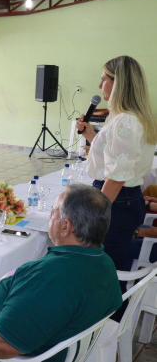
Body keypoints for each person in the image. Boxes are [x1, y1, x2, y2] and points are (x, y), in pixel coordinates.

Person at [0, 184, 122, 362]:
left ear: (66, 227)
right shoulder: (104, 263)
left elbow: (3, 344)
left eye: (53, 213)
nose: (50, 218)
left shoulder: (50, 278)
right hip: (40, 336)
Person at [76, 56, 157, 279]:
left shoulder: (126, 121)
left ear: (119, 82)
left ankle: (113, 313)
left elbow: (117, 177)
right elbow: (115, 157)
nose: (99, 85)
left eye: (104, 79)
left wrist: (96, 212)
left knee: (107, 272)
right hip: (123, 200)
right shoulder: (128, 117)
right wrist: (91, 135)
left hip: (116, 202)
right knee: (112, 265)